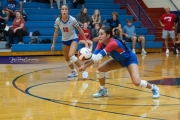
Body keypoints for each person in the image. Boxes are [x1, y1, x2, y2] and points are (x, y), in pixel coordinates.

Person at [78, 26, 160, 99]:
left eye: (101, 34)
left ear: (108, 35)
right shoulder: (100, 42)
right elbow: (94, 57)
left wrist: (84, 67)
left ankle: (153, 87)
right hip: (118, 61)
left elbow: (98, 58)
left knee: (136, 82)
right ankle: (103, 90)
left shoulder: (113, 43)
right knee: (100, 70)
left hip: (129, 59)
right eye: (99, 34)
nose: (99, 36)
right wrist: (84, 63)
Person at [51, 4, 88, 79]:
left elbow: (80, 30)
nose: (64, 10)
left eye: (66, 9)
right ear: (61, 11)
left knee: (71, 55)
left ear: (68, 11)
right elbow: (56, 33)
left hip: (73, 39)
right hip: (65, 40)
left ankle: (83, 70)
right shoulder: (58, 20)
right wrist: (53, 44)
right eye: (63, 9)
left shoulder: (72, 19)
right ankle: (73, 71)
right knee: (67, 58)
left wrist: (86, 41)